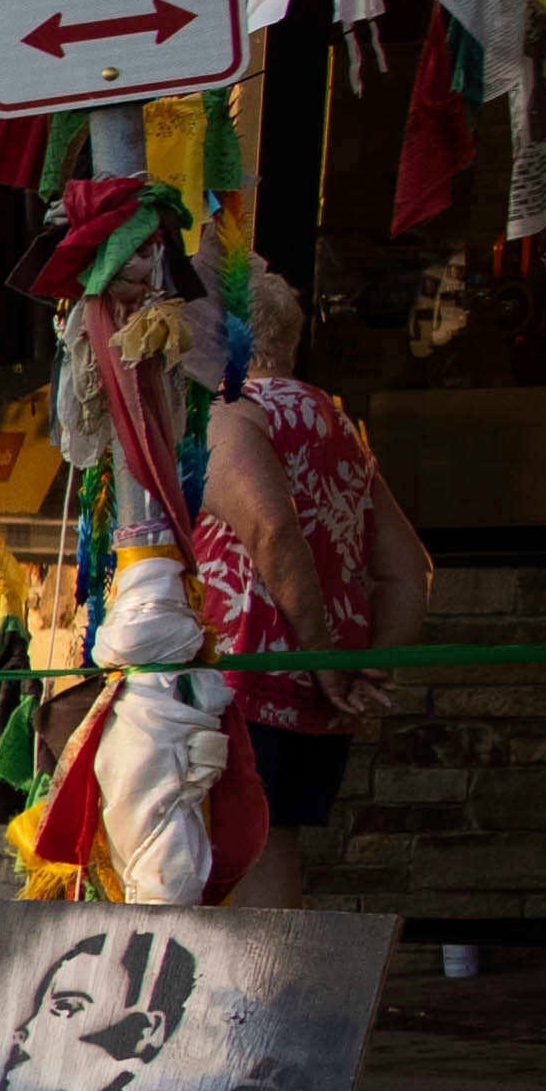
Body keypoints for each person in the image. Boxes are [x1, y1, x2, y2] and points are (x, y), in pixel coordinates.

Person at [195, 271, 438, 916]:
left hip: (246, 681)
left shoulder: (232, 413)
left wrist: (322, 657)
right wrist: (366, 666)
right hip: (310, 689)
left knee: (230, 854)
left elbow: (273, 532)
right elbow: (409, 569)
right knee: (273, 851)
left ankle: (261, 1010)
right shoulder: (338, 425)